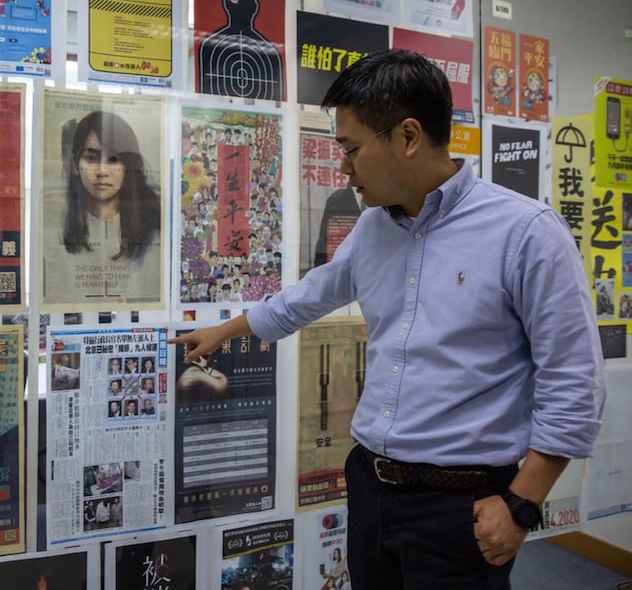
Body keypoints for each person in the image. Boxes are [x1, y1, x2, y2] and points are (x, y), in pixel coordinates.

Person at [171, 49, 605, 589]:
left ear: (407, 136)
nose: (344, 168)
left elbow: (574, 380)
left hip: (462, 504)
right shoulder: (374, 228)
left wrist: (522, 504)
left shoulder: (526, 234)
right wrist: (226, 330)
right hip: (372, 486)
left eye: (351, 149)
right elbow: (312, 295)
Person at [46, 110, 162, 303]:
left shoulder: (155, 229)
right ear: (76, 163)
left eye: (114, 160)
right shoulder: (53, 229)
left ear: (129, 165)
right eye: (91, 158)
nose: (101, 171)